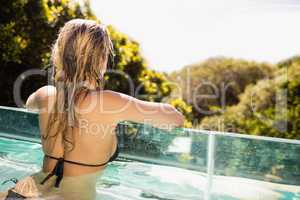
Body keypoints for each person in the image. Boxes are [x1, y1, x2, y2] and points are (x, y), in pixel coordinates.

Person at [0, 19, 184, 200]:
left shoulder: (45, 95)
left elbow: (29, 105)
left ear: (59, 55)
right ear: (101, 59)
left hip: (21, 192)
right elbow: (175, 118)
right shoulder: (110, 102)